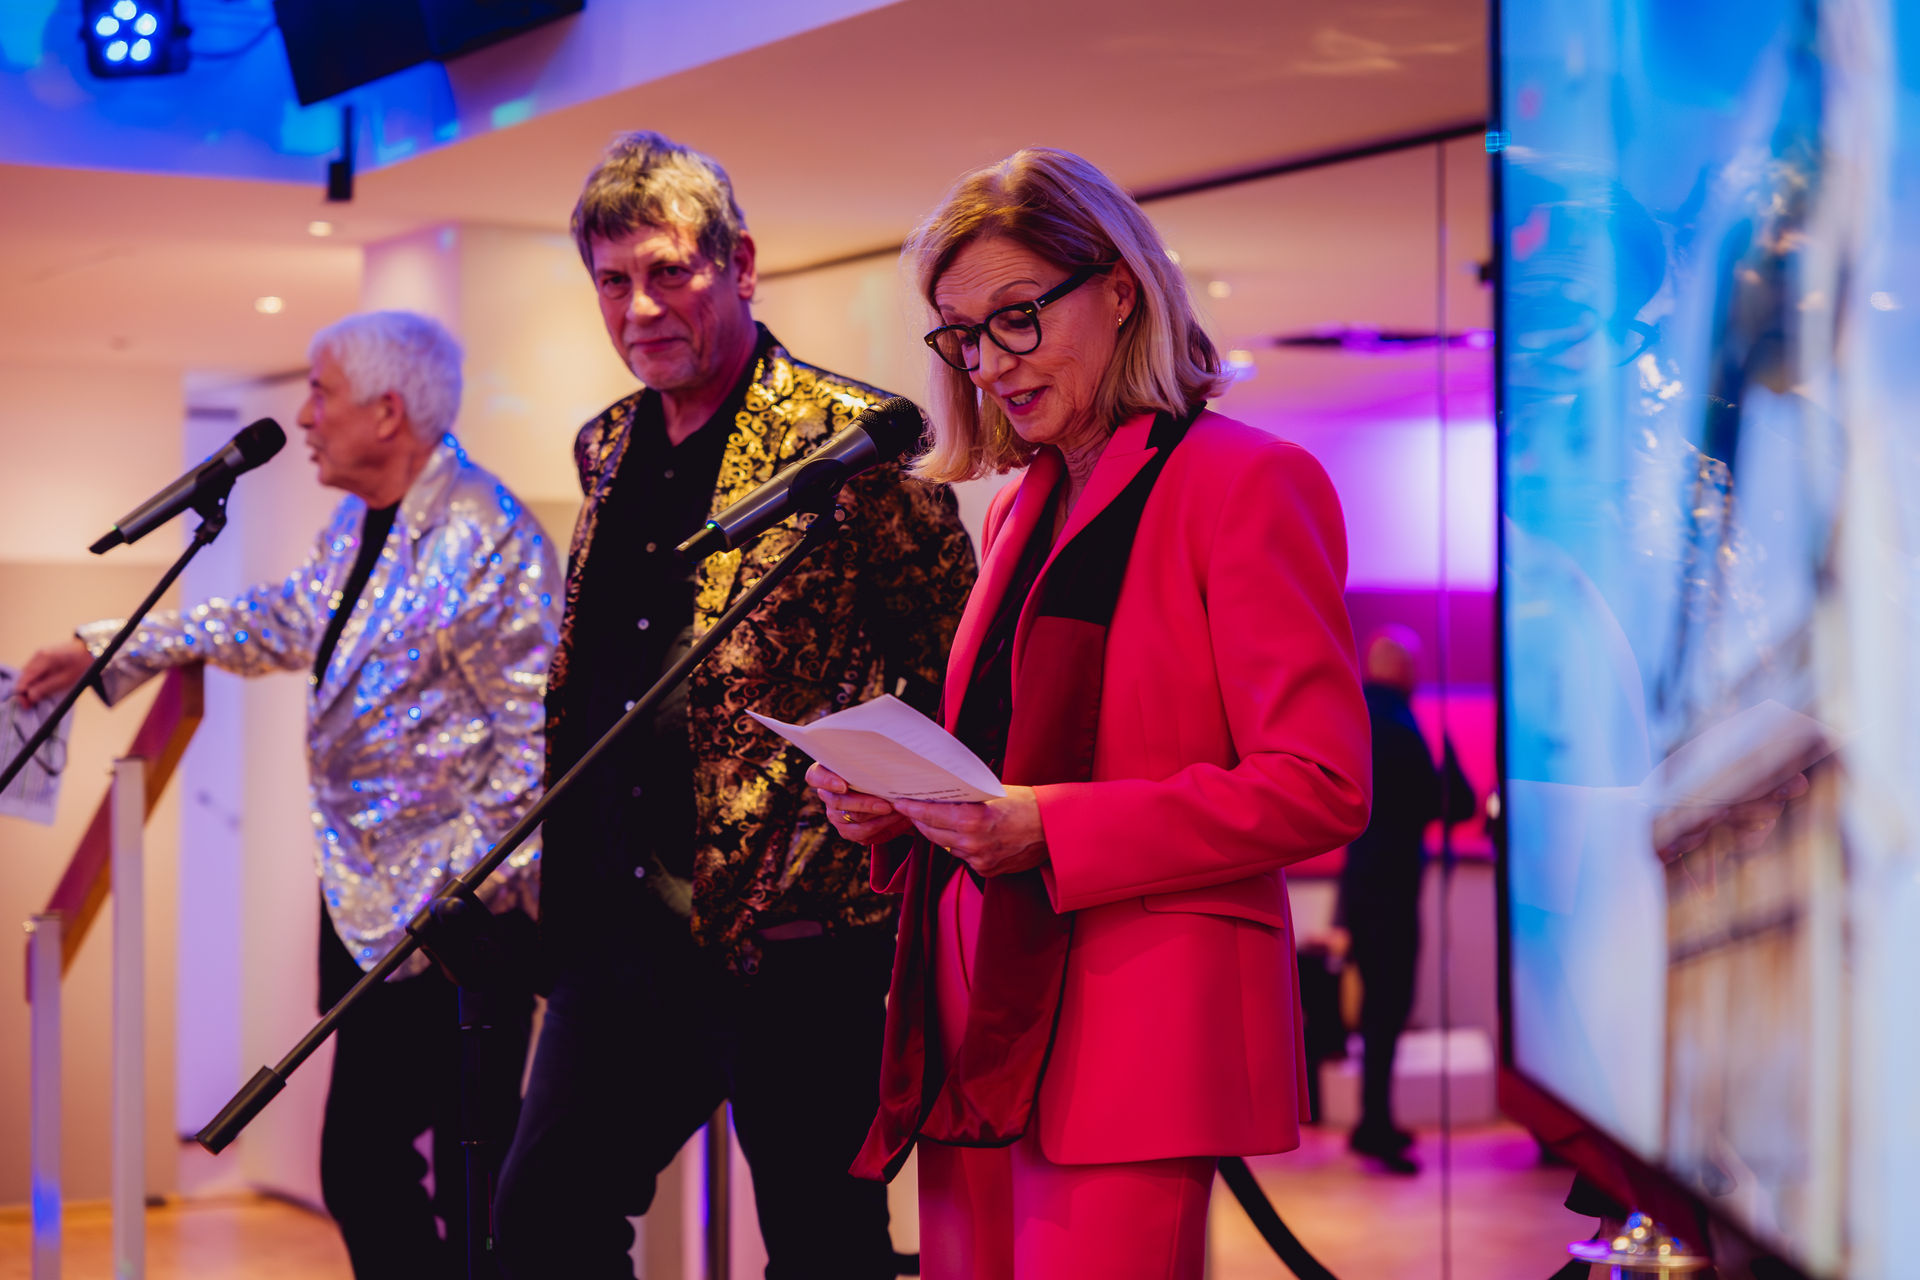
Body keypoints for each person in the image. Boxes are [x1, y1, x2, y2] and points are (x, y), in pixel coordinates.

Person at [808, 147, 1373, 1280]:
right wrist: (902, 803)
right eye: (964, 336)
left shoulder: (1247, 482)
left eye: (1018, 317)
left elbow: (1321, 784)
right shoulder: (1018, 506)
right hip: (977, 1010)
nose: (990, 362)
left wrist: (1053, 828)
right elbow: (1007, 755)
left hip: (1137, 1022)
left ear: (1119, 290)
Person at [493, 132, 976, 1280]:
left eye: (669, 271)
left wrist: (895, 792)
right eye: (613, 279)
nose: (639, 307)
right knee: (541, 1221)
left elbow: (961, 664)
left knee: (823, 1248)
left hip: (796, 939)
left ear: (740, 263)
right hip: (619, 929)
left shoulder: (856, 441)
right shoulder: (606, 443)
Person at [12, 310, 560, 1280]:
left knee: (450, 1173)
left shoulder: (488, 535)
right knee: (373, 1161)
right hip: (364, 899)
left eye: (320, 392)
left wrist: (470, 894)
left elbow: (533, 744)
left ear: (387, 411)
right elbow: (280, 620)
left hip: (454, 916)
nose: (304, 416)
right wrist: (113, 646)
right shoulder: (360, 520)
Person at [1333, 625, 1474, 1175]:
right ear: (1401, 668)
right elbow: (1447, 802)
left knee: (1378, 1010)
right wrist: (1448, 757)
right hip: (1390, 893)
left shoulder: (1358, 717)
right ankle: (1374, 1126)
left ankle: (1374, 1120)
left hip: (1366, 888)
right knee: (1387, 1009)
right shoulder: (1396, 723)